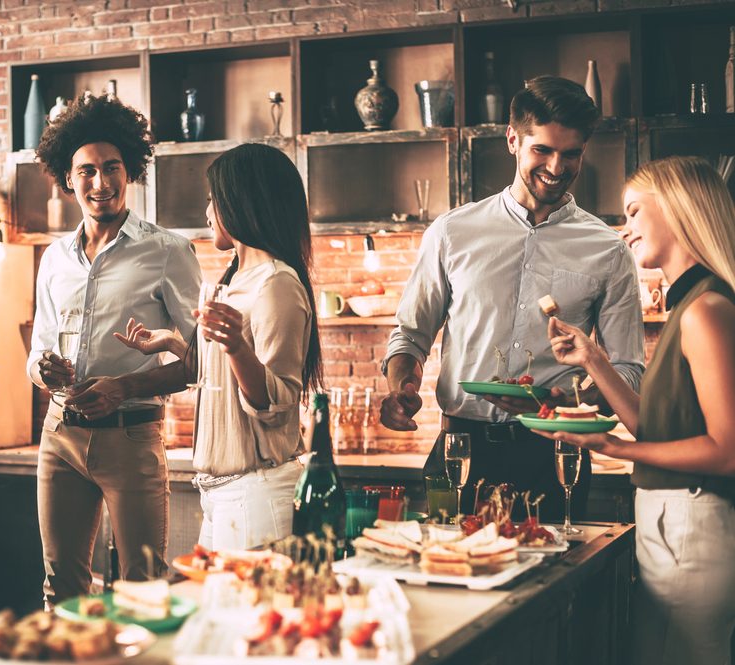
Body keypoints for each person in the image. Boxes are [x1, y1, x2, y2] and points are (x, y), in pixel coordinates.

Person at [379, 76, 645, 520]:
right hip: (460, 450)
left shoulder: (609, 249)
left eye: (571, 153)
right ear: (513, 140)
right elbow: (410, 333)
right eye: (542, 150)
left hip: (557, 456)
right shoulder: (451, 232)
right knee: (448, 581)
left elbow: (627, 371)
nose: (557, 167)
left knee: (558, 583)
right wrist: (400, 388)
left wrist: (564, 399)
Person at [536, 156, 735, 665]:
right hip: (675, 522)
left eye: (633, 213)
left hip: (694, 523)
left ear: (677, 209)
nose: (624, 232)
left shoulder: (707, 311)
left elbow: (728, 450)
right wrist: (594, 359)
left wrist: (613, 447)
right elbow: (658, 428)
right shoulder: (690, 307)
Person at [28, 93, 201, 603]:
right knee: (61, 589)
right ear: (67, 177)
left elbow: (198, 361)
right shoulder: (54, 258)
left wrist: (123, 386)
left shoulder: (169, 251)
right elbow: (36, 351)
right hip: (59, 438)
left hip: (132, 437)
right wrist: (47, 370)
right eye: (86, 171)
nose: (100, 183)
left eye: (111, 168)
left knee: (142, 589)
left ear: (130, 172)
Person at [116, 143, 322, 549]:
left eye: (213, 199)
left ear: (242, 202)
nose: (207, 212)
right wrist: (175, 343)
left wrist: (236, 348)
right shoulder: (235, 280)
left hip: (256, 494)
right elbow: (222, 380)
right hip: (222, 496)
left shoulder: (276, 284)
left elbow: (277, 402)